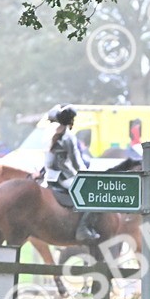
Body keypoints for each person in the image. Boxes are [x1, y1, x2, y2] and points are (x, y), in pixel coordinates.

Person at [43, 104, 100, 243]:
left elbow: (48, 161)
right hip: (63, 177)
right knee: (92, 194)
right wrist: (86, 174)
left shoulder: (52, 134)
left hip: (50, 177)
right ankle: (82, 229)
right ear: (71, 121)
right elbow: (76, 162)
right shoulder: (68, 137)